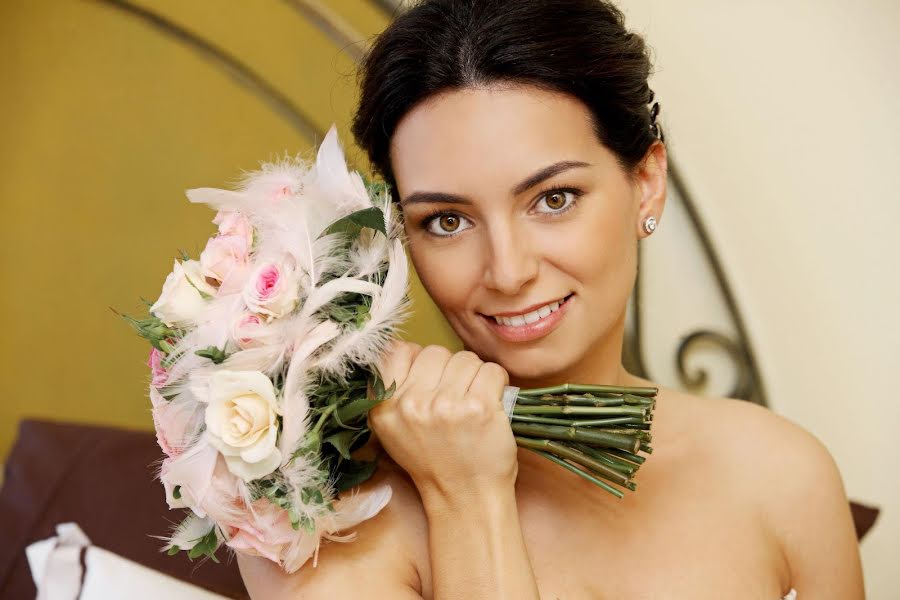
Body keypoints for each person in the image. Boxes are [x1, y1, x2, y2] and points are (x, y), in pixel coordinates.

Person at [236, 1, 864, 598]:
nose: (508, 273)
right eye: (448, 221)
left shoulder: (781, 473)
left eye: (553, 199)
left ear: (645, 185)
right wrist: (465, 496)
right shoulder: (325, 512)